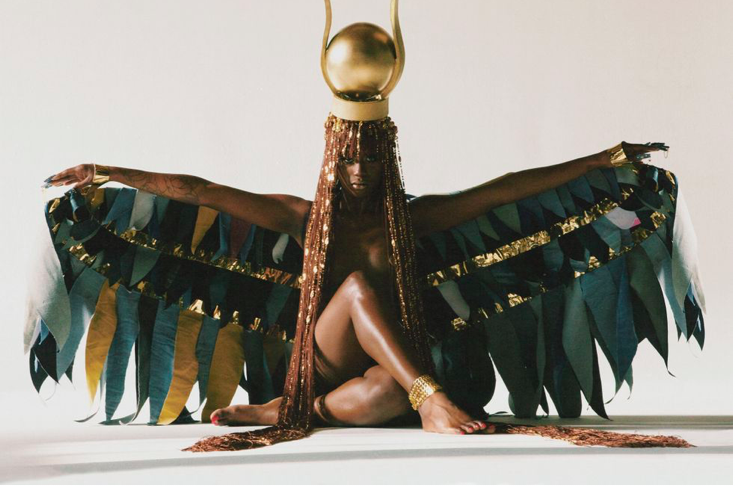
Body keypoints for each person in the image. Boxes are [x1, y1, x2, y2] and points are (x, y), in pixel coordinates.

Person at [33, 4, 703, 451]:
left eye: (371, 158)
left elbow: (505, 189)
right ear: (332, 158)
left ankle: (291, 411)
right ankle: (421, 398)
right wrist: (109, 170)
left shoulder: (416, 219)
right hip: (322, 355)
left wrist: (603, 159)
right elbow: (205, 191)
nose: (359, 171)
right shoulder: (301, 217)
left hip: (386, 367)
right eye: (349, 159)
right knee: (354, 289)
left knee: (389, 393)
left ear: (388, 158)